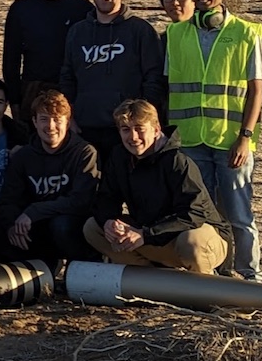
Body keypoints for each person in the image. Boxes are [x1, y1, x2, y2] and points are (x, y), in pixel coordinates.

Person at [166, 0, 262, 281]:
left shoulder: (246, 32)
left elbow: (256, 89)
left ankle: (249, 275)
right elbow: (168, 89)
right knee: (203, 214)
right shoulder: (175, 33)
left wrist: (245, 137)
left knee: (238, 213)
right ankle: (216, 274)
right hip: (191, 141)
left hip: (230, 141)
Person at [85, 99, 229, 274]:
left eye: (139, 129)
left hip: (194, 234)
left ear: (156, 129)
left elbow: (194, 213)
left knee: (192, 243)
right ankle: (149, 278)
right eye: (126, 130)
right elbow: (106, 197)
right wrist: (109, 221)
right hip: (149, 234)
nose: (133, 137)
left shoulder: (178, 161)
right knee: (93, 228)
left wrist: (145, 235)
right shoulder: (119, 157)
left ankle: (205, 285)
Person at [60, 0, 163, 160]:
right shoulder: (78, 32)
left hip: (126, 131)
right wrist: (69, 116)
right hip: (85, 129)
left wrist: (142, 120)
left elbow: (154, 79)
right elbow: (67, 77)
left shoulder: (140, 30)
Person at [0, 90, 99, 263]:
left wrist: (34, 211)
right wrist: (11, 225)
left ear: (68, 122)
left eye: (57, 120)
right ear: (34, 122)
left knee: (61, 226)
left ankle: (79, 270)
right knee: (2, 226)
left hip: (70, 222)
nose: (50, 126)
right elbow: (9, 199)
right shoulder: (24, 156)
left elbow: (81, 201)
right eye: (44, 119)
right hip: (33, 224)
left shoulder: (84, 152)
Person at [1, 0, 93, 120]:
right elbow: (10, 60)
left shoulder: (82, 9)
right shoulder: (21, 8)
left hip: (72, 93)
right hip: (32, 93)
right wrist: (15, 102)